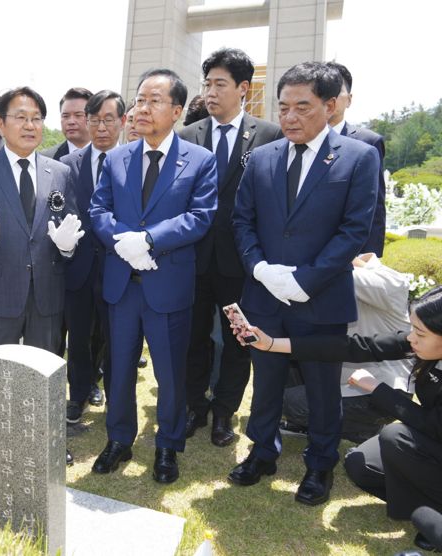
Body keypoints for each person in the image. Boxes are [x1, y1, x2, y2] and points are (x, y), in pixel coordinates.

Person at [230, 61, 380, 506]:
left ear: (330, 106)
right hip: (264, 295)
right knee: (267, 380)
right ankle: (262, 452)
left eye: (303, 107)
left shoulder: (358, 156)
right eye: (283, 107)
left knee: (321, 388)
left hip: (321, 297)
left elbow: (355, 230)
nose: (290, 117)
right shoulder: (261, 158)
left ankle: (320, 464)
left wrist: (306, 280)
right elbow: (243, 220)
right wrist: (260, 269)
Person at [234, 285, 442, 553]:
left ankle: (433, 514)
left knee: (394, 437)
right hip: (433, 443)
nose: (412, 338)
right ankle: (428, 509)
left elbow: (432, 425)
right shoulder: (420, 344)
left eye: (421, 333)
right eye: (412, 329)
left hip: (434, 436)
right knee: (360, 465)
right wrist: (272, 343)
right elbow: (354, 347)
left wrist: (379, 390)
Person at [89, 68, 217, 484]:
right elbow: (98, 210)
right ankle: (119, 439)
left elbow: (200, 217)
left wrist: (148, 240)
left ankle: (168, 446)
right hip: (122, 284)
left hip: (168, 284)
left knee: (170, 373)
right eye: (140, 99)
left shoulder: (200, 160)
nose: (142, 108)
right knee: (119, 367)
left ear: (177, 110)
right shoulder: (116, 157)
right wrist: (121, 241)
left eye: (154, 100)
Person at [179, 48, 282, 447]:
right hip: (192, 257)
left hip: (240, 261)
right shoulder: (188, 135)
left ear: (243, 89)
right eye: (207, 84)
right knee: (192, 338)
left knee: (239, 339)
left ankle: (225, 413)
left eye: (219, 84)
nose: (210, 92)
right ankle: (193, 406)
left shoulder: (269, 136)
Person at [0, 86, 82, 354]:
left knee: (44, 376)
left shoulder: (60, 172)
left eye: (36, 118)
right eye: (21, 117)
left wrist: (67, 246)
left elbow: (70, 223)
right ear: (1, 124)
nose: (29, 125)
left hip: (46, 296)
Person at [282, 253, 412, 443]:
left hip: (380, 390)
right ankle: (313, 424)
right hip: (344, 378)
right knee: (283, 365)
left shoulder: (390, 281)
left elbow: (323, 275)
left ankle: (364, 429)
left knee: (289, 403)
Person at [60, 90, 126, 423]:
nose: (101, 127)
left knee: (117, 338)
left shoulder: (134, 162)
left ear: (122, 122)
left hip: (120, 266)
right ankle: (79, 395)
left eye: (108, 120)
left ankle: (116, 397)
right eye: (94, 120)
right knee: (80, 338)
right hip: (79, 268)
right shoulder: (67, 166)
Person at [326, 61, 387, 257]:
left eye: (337, 90)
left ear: (349, 100)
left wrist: (370, 256)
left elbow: (375, 206)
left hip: (348, 253)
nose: (330, 97)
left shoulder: (368, 142)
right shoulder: (294, 138)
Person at [41, 88, 93, 161]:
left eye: (78, 115)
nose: (71, 122)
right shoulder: (45, 159)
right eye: (65, 116)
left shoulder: (109, 157)